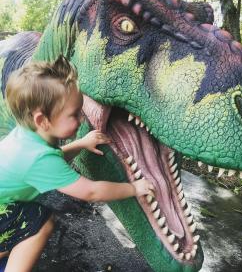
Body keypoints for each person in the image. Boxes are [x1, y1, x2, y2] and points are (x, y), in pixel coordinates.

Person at [0, 56, 154, 272]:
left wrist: (81, 143)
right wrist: (134, 188)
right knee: (40, 223)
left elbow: (52, 161)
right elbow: (91, 192)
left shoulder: (28, 137)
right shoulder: (39, 159)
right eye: (74, 115)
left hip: (5, 203)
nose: (81, 119)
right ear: (42, 120)